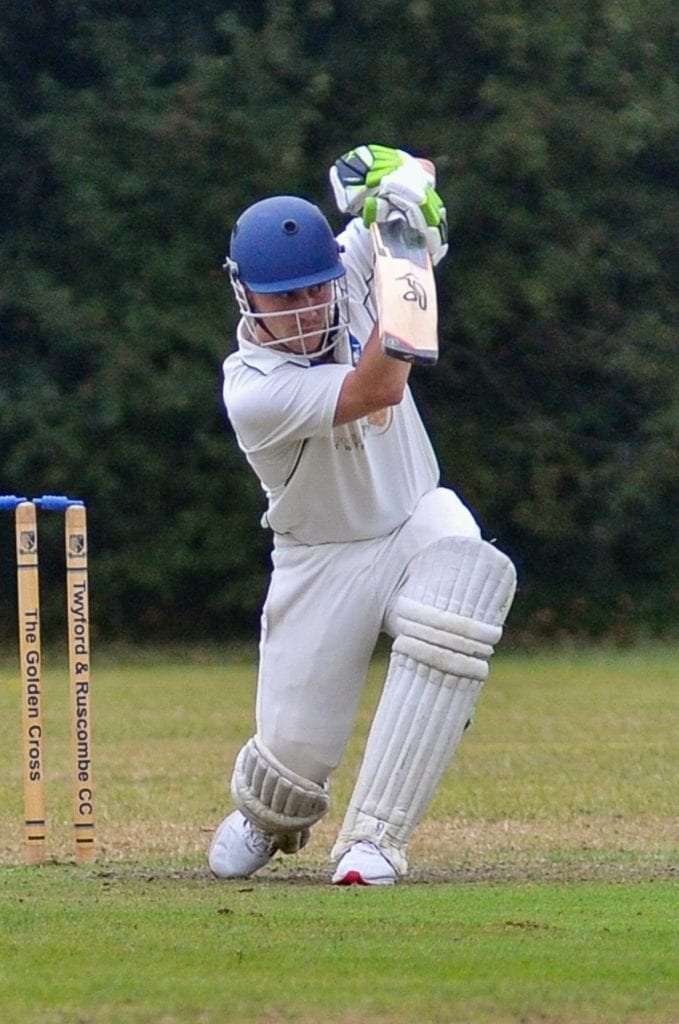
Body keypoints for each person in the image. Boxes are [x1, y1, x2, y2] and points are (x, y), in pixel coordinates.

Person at [209, 144, 517, 885]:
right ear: (245, 295)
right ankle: (267, 815)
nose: (307, 309)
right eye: (284, 299)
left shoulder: (346, 267)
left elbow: (418, 172)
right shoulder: (251, 387)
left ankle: (374, 840)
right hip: (323, 559)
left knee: (466, 587)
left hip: (413, 515)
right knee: (289, 778)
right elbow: (378, 384)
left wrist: (396, 182)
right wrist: (408, 254)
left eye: (314, 291)